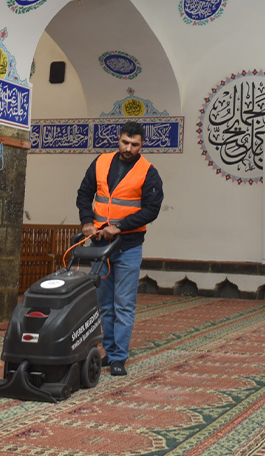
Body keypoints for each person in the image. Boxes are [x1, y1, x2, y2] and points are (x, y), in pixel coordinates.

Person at [75, 121, 163, 376]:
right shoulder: (101, 162)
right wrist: (86, 221)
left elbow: (151, 210)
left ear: (141, 145)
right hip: (100, 247)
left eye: (134, 145)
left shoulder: (148, 172)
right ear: (119, 138)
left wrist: (121, 226)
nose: (128, 148)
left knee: (123, 304)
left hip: (128, 247)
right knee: (104, 304)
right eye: (125, 142)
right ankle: (109, 350)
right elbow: (84, 194)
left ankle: (118, 358)